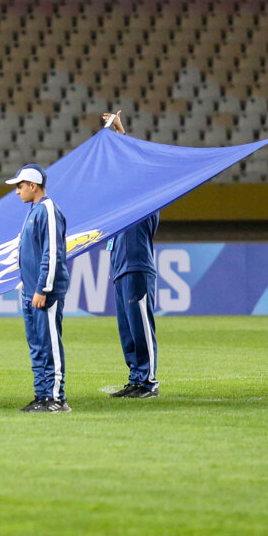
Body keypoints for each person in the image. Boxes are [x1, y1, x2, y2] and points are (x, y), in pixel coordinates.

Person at [103, 110, 161, 399]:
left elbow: (134, 167)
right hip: (121, 269)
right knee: (127, 329)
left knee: (141, 326)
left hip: (137, 267)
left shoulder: (147, 201)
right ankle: (135, 378)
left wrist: (121, 134)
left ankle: (149, 382)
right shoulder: (121, 207)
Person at [7, 163, 70, 412]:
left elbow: (52, 253)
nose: (17, 192)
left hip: (44, 292)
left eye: (20, 186)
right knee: (36, 345)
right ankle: (42, 394)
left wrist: (43, 288)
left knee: (49, 343)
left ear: (33, 186)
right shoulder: (34, 210)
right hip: (31, 290)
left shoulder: (48, 210)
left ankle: (56, 398)